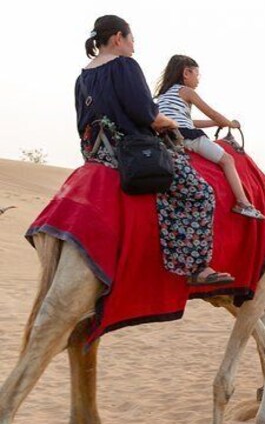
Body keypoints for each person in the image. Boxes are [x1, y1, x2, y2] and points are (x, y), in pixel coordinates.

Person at [77, 15, 233, 285]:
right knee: (200, 192)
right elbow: (148, 115)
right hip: (131, 151)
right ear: (118, 38)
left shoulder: (83, 77)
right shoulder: (125, 66)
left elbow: (82, 123)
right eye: (132, 40)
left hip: (95, 153)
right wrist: (169, 122)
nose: (133, 47)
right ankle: (198, 268)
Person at [155, 55, 264, 220]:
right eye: (197, 75)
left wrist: (215, 123)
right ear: (186, 73)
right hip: (186, 137)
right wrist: (230, 124)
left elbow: (189, 121)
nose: (198, 80)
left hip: (167, 138)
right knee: (228, 160)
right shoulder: (186, 91)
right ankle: (243, 203)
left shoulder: (162, 96)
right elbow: (211, 112)